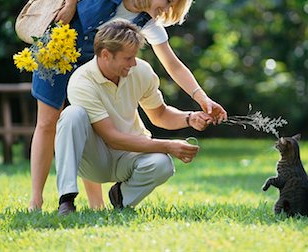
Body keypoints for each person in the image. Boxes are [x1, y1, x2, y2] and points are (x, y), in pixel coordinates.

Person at [29, 0, 227, 211]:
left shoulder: (148, 24)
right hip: (57, 51)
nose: (166, 10)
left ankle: (97, 204)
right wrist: (70, 4)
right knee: (47, 123)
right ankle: (36, 200)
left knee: (91, 122)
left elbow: (173, 65)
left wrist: (203, 100)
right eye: (167, 1)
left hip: (92, 67)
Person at [56, 19, 212, 215]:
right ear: (105, 55)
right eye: (127, 58)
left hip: (130, 156)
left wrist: (189, 118)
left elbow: (159, 114)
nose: (133, 63)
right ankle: (66, 200)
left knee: (163, 164)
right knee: (72, 114)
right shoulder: (81, 81)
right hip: (95, 161)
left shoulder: (141, 70)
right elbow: (112, 139)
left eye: (134, 56)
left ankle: (121, 198)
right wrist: (168, 145)